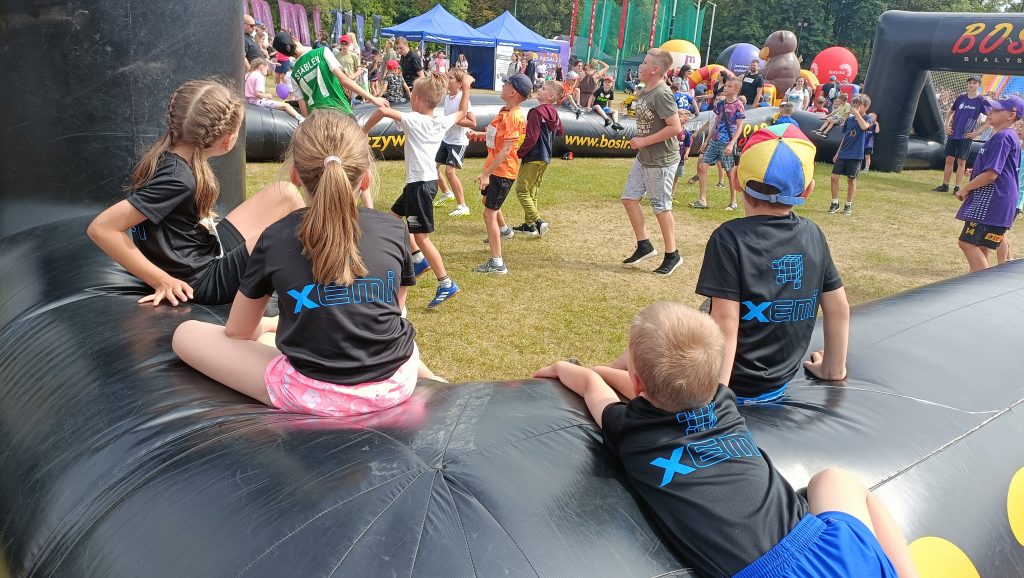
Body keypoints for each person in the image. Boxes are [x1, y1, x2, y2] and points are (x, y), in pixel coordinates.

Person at [534, 302, 915, 578]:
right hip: (834, 551)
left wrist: (565, 368)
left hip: (764, 572)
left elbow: (591, 387)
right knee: (835, 479)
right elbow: (633, 388)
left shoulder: (631, 430)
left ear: (636, 383)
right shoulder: (723, 402)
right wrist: (625, 378)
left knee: (831, 480)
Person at [172, 111, 445, 417]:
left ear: (295, 175)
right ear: (365, 178)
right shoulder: (395, 229)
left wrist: (270, 326)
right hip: (395, 384)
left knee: (186, 333)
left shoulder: (275, 237)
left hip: (312, 394)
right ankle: (434, 380)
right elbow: (395, 313)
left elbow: (238, 332)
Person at [87, 79, 306, 307]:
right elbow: (102, 228)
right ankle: (316, 292)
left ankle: (317, 268)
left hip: (207, 251)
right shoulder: (178, 179)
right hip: (204, 280)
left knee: (286, 193)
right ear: (228, 140)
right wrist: (161, 279)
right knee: (281, 237)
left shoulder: (170, 155)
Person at [699, 124, 850, 402]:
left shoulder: (729, 238)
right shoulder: (813, 234)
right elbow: (839, 307)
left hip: (733, 386)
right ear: (808, 191)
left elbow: (725, 323)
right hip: (778, 382)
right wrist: (833, 369)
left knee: (662, 328)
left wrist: (717, 400)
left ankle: (594, 378)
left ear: (736, 180)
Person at [362, 72, 474, 307]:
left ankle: (445, 282)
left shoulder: (414, 120)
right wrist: (466, 89)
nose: (409, 95)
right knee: (393, 220)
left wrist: (361, 133)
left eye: (412, 92)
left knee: (421, 237)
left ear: (418, 99)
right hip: (420, 184)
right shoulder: (439, 120)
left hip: (420, 187)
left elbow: (382, 111)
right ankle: (418, 259)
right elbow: (463, 113)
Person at [620, 48, 683, 276]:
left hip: (661, 161)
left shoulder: (662, 94)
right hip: (644, 157)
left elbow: (675, 128)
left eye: (645, 63)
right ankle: (644, 245)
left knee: (661, 208)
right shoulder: (645, 91)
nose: (640, 66)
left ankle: (672, 255)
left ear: (656, 69)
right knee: (629, 198)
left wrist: (644, 140)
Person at [467, 73, 530, 274]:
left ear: (513, 92)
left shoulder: (514, 116)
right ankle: (504, 230)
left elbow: (506, 150)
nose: (502, 85)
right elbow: (500, 138)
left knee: (489, 213)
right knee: (487, 204)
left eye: (506, 83)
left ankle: (497, 263)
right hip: (497, 168)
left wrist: (486, 174)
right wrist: (480, 135)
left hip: (502, 171)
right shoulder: (506, 111)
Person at [954, 96, 1023, 272]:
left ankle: (979, 290)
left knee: (967, 243)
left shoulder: (1003, 137)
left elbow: (992, 175)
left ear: (1011, 115)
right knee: (982, 246)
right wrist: (975, 172)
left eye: (997, 110)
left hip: (993, 201)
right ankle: (977, 285)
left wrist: (966, 188)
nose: (990, 112)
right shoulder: (1006, 136)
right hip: (1001, 200)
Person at [274, 31, 388, 124]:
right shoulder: (322, 52)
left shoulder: (294, 75)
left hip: (317, 121)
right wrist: (374, 99)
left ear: (284, 54)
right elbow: (344, 81)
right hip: (340, 112)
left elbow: (304, 110)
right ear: (294, 39)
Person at [511, 80, 566, 236]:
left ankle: (538, 221)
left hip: (533, 155)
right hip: (546, 156)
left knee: (522, 190)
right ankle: (529, 226)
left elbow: (532, 137)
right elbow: (560, 131)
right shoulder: (553, 112)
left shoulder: (536, 112)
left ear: (550, 96)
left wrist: (519, 152)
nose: (538, 89)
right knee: (532, 191)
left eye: (542, 88)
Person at [693, 76, 744, 211]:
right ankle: (702, 199)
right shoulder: (720, 104)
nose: (725, 88)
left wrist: (731, 144)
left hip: (727, 141)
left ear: (736, 90)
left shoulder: (738, 105)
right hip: (715, 141)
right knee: (702, 165)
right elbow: (716, 122)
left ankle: (733, 202)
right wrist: (707, 140)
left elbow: (739, 127)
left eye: (728, 86)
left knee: (729, 172)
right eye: (725, 85)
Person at [433, 69, 476, 218]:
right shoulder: (447, 97)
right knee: (432, 167)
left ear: (459, 84)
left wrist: (452, 119)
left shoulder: (462, 98)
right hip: (446, 139)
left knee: (450, 172)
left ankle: (462, 206)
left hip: (458, 142)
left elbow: (472, 122)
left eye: (450, 78)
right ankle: (446, 193)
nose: (447, 79)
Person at [934, 76, 988, 195]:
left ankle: (957, 187)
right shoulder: (961, 98)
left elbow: (989, 119)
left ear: (978, 85)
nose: (971, 85)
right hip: (953, 134)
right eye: (969, 83)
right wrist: (946, 126)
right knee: (949, 159)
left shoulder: (981, 100)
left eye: (974, 83)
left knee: (961, 161)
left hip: (966, 136)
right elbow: (950, 112)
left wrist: (977, 131)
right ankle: (945, 185)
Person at [828, 95, 873, 216]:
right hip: (844, 153)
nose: (855, 107)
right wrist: (838, 152)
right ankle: (834, 203)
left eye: (859, 105)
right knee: (834, 177)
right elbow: (845, 137)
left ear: (866, 107)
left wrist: (857, 114)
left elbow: (864, 126)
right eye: (855, 104)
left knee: (851, 180)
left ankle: (848, 205)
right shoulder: (850, 120)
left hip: (855, 154)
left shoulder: (867, 118)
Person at [244, 58, 305, 122]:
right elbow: (258, 94)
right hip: (257, 102)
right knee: (286, 105)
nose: (267, 70)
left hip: (248, 101)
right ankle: (302, 120)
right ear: (262, 67)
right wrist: (268, 96)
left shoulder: (247, 75)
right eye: (266, 68)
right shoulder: (259, 76)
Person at [997, 119, 1024, 264]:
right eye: (1019, 126)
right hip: (1008, 196)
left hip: (1014, 199)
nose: (1019, 129)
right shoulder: (1016, 150)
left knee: (999, 232)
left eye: (1023, 128)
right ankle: (1009, 259)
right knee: (1002, 230)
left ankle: (1002, 265)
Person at [672, 108, 693, 195]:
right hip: (670, 158)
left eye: (679, 116)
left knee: (675, 178)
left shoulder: (686, 132)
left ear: (685, 121)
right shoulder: (671, 129)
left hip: (680, 159)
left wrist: (687, 153)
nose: (677, 117)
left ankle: (671, 195)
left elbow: (688, 145)